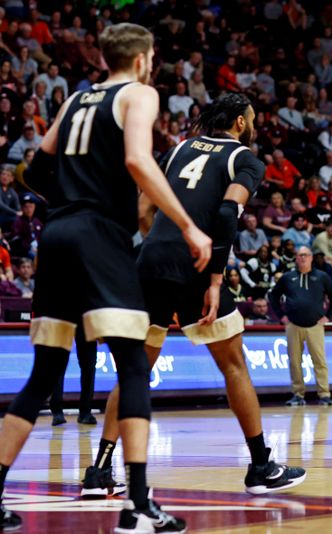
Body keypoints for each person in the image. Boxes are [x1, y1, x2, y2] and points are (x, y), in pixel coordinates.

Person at [0, 23, 213, 532]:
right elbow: (138, 160)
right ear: (142, 59)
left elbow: (34, 172)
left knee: (43, 376)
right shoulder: (140, 93)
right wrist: (188, 226)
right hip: (99, 236)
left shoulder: (74, 101)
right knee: (134, 367)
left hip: (56, 234)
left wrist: (73, 201)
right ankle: (138, 507)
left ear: (103, 57)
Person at [80, 93, 306, 501]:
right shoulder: (245, 159)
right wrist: (216, 280)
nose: (254, 125)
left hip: (149, 261)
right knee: (234, 365)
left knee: (135, 372)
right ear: (240, 122)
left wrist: (158, 246)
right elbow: (224, 214)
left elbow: (144, 206)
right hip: (197, 263)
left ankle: (98, 471)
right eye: (252, 119)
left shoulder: (179, 148)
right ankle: (260, 466)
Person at [269, 245, 332, 406]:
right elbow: (273, 296)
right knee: (294, 361)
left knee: (319, 361)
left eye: (306, 255)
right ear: (296, 258)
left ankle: (324, 394)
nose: (302, 258)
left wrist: (328, 316)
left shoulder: (321, 276)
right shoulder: (287, 277)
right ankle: (298, 394)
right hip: (293, 325)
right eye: (300, 255)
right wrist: (281, 316)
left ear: (311, 258)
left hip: (315, 326)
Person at [48, 326, 99, 426]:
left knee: (89, 365)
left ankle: (85, 412)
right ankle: (57, 412)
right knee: (58, 364)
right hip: (63, 316)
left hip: (85, 317)